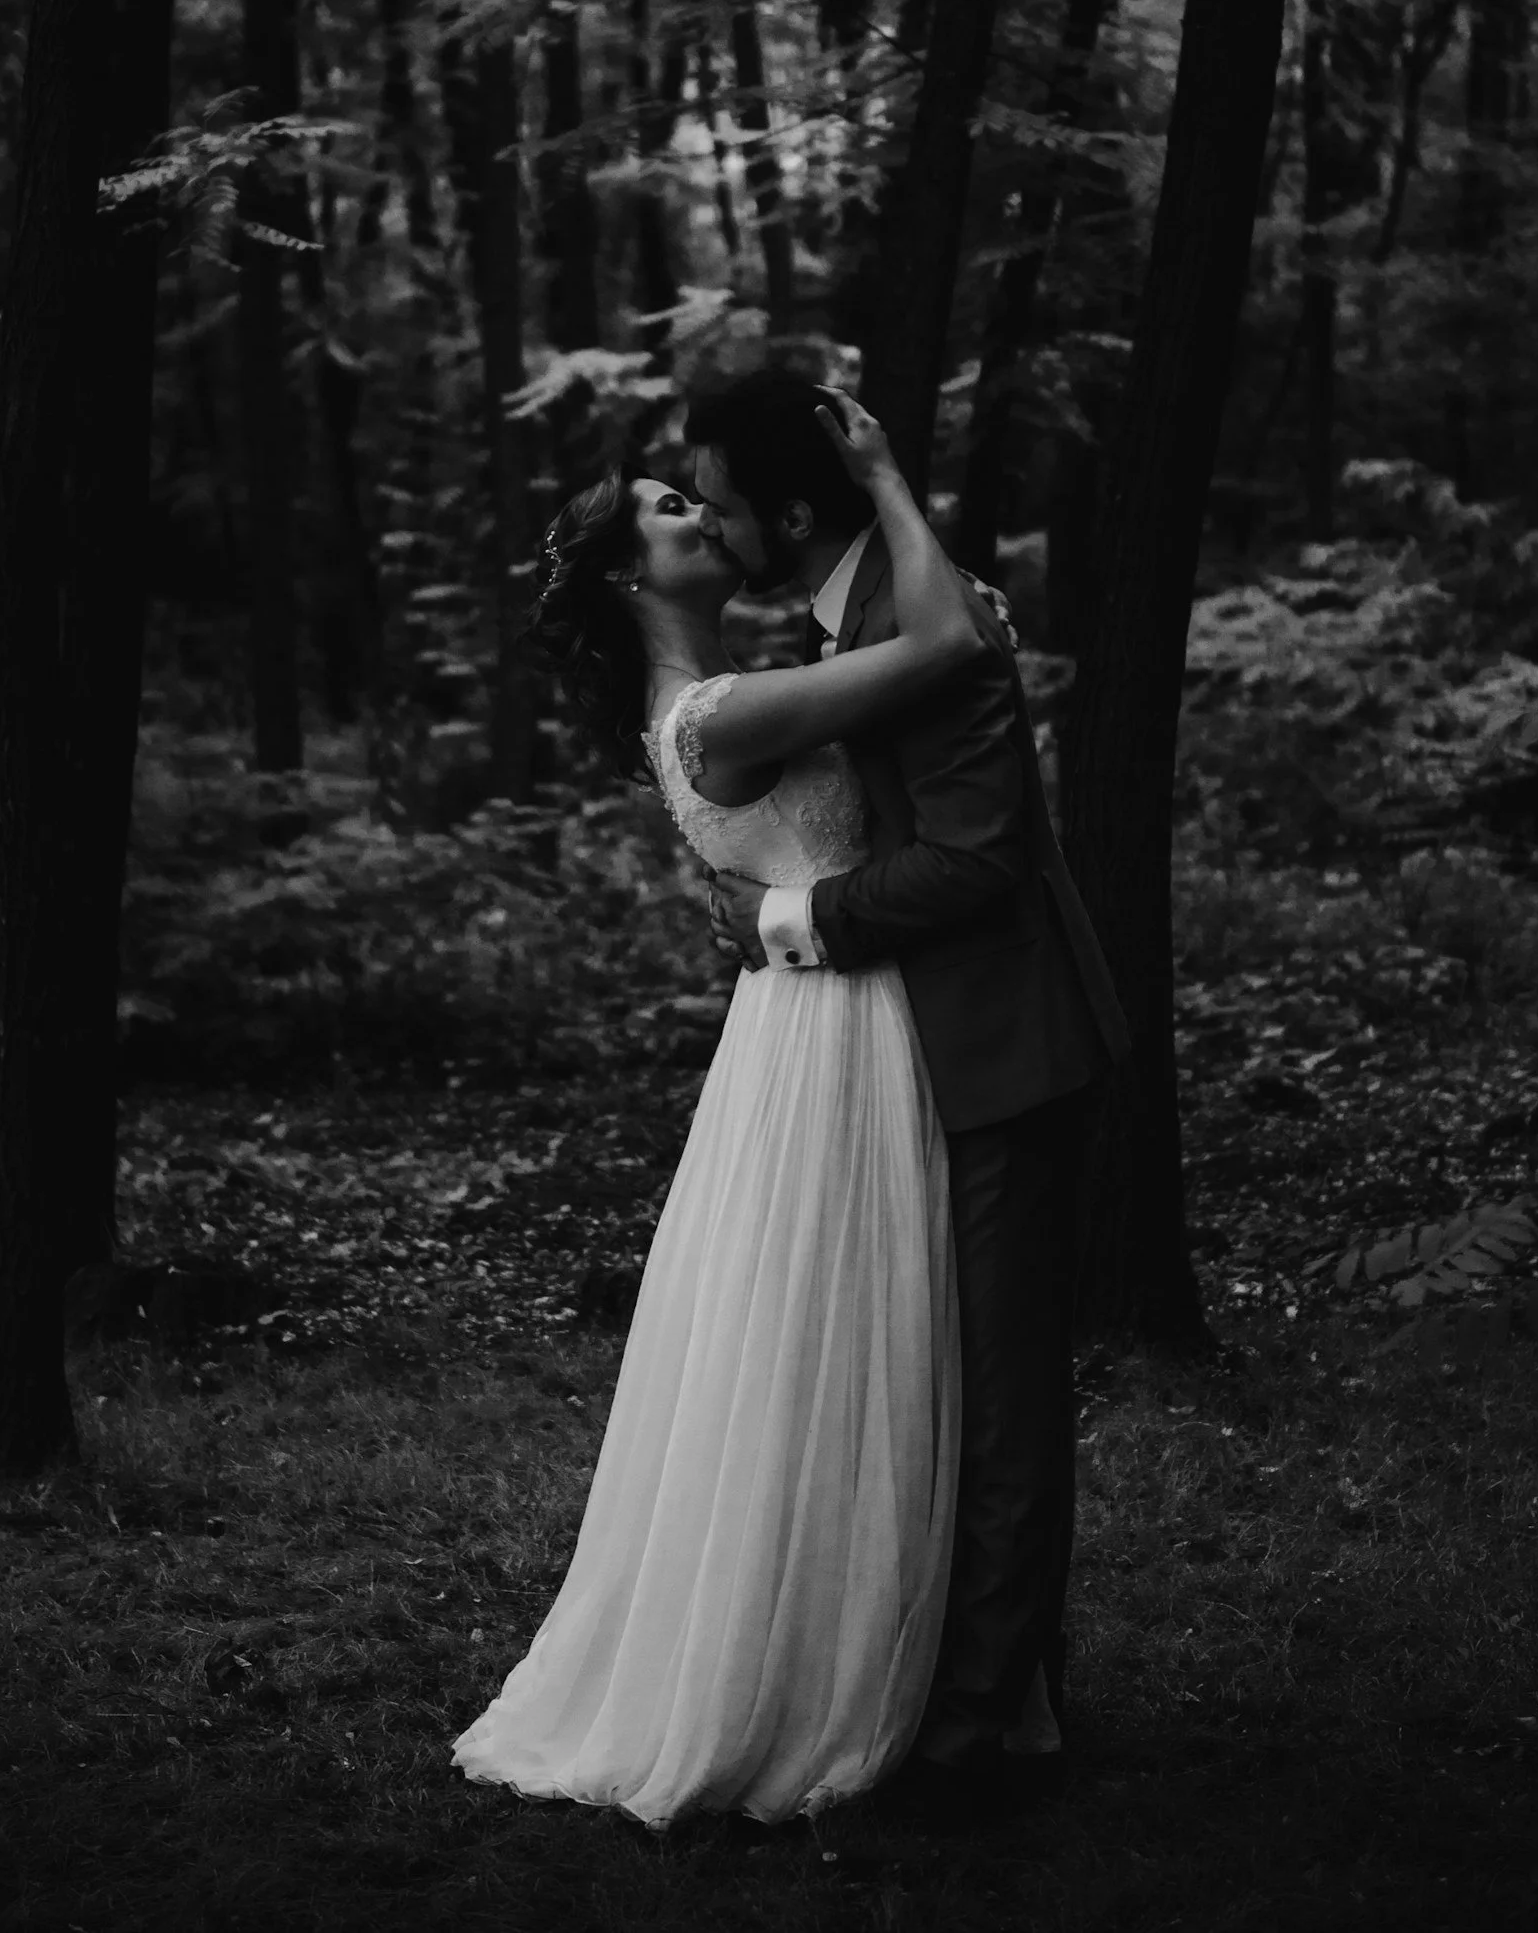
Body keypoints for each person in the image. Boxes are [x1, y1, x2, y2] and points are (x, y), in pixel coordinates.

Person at [450, 392, 983, 1832]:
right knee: (841, 1331)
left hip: (804, 1020)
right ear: (635, 577)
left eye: (697, 497)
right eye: (670, 511)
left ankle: (837, 1638)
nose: (700, 513)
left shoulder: (705, 705)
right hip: (836, 1028)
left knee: (813, 1336)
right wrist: (884, 476)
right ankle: (812, 1672)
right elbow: (946, 647)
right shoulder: (722, 714)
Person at [686, 368, 1131, 1828]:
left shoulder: (918, 622)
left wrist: (790, 921)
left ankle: (985, 1739)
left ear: (789, 513)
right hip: (925, 1051)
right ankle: (970, 1688)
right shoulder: (863, 612)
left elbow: (981, 859)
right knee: (942, 1383)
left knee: (1002, 1404)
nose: (712, 527)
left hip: (1008, 1045)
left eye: (722, 505)